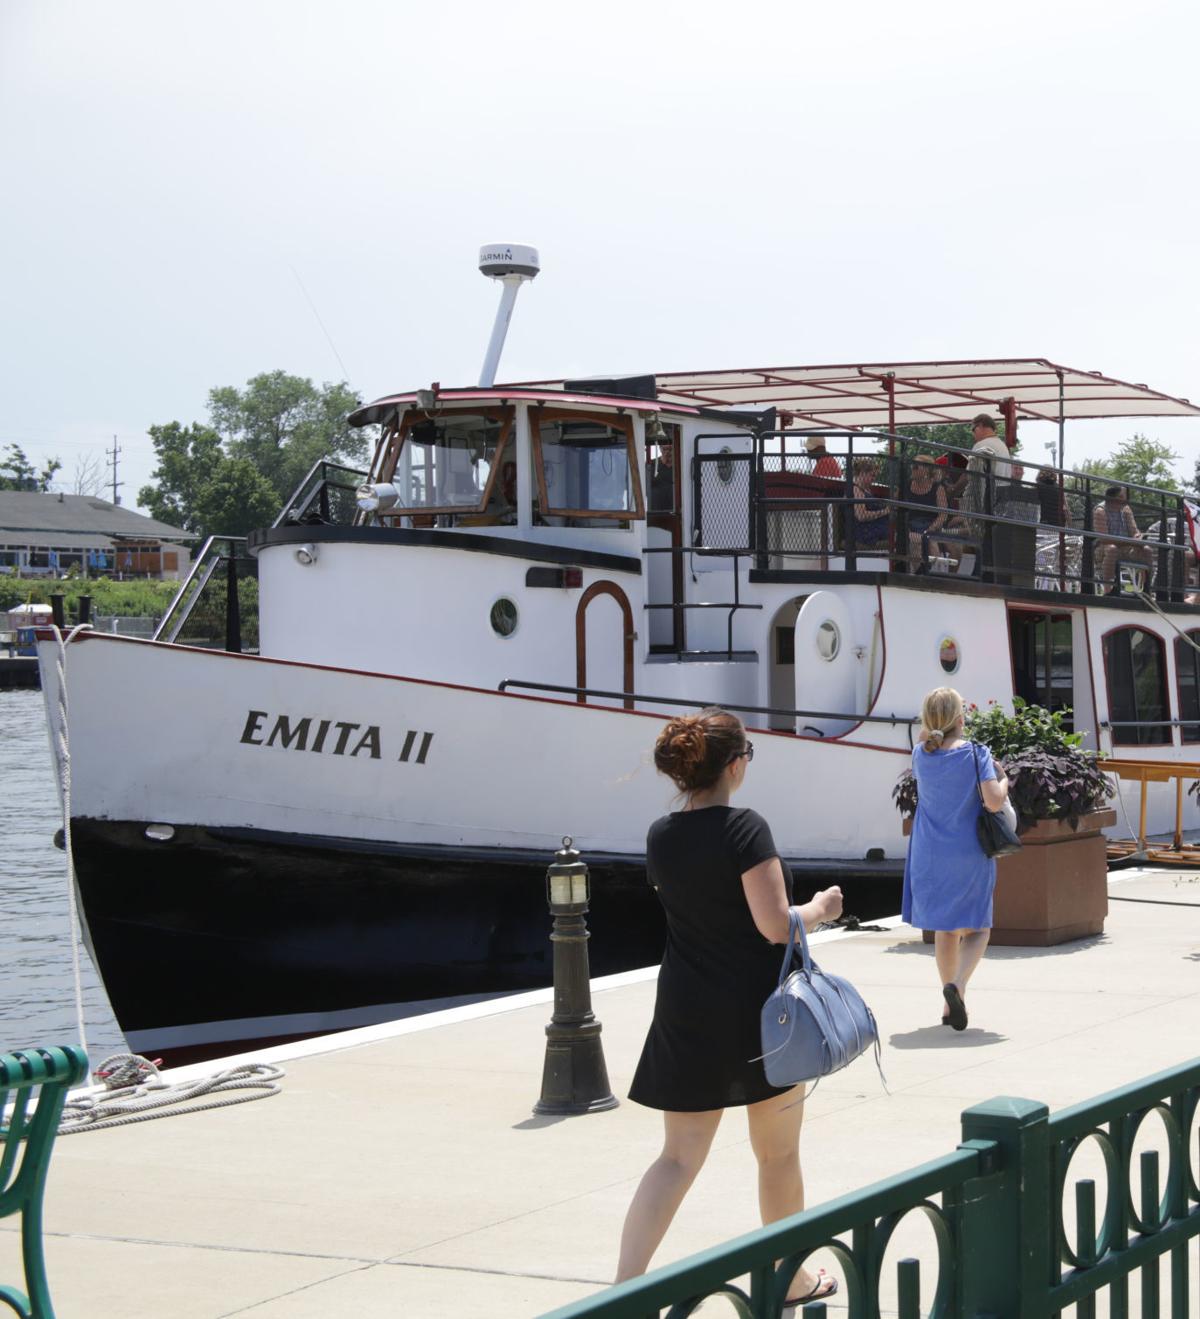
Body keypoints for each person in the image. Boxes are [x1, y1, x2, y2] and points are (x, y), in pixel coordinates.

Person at [618, 708, 844, 1307]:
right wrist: (820, 908)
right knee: (778, 1153)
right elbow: (774, 926)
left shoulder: (661, 834)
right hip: (759, 1017)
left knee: (676, 1158)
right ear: (736, 763)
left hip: (687, 1009)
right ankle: (791, 1279)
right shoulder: (746, 829)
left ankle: (622, 1292)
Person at [902, 687, 1010, 1031]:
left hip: (929, 853)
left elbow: (927, 736)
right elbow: (993, 802)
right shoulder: (976, 754)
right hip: (968, 852)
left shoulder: (921, 753)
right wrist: (1005, 779)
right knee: (978, 928)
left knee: (945, 930)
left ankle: (950, 1006)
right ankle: (958, 986)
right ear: (961, 719)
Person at [1091, 485, 1153, 592]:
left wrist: (1138, 537)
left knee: (1147, 550)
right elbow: (1104, 539)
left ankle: (1145, 588)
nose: (1125, 500)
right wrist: (1129, 541)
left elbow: (1134, 531)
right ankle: (1108, 589)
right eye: (1121, 497)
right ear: (1112, 497)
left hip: (1126, 547)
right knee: (1112, 549)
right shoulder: (1100, 511)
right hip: (1103, 549)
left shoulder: (1126, 509)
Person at [905, 455, 949, 571]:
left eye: (916, 467)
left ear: (926, 470)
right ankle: (919, 573)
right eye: (912, 466)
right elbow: (897, 507)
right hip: (910, 526)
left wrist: (932, 528)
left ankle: (936, 575)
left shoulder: (937, 488)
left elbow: (943, 514)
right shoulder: (907, 485)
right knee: (916, 540)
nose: (912, 469)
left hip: (931, 526)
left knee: (931, 542)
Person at [849, 456, 890, 554]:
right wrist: (885, 512)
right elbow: (861, 516)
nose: (873, 479)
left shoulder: (865, 489)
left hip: (874, 528)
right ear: (863, 473)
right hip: (865, 533)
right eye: (872, 475)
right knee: (903, 538)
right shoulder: (856, 490)